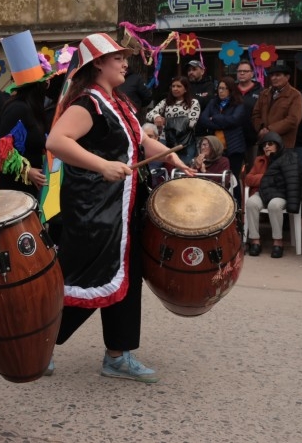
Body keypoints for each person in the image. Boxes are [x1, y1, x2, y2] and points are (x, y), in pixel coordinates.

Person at [46, 33, 193, 384]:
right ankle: (38, 343)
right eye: (118, 58)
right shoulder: (87, 104)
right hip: (94, 211)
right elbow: (56, 141)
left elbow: (141, 141)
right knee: (85, 278)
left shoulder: (120, 102)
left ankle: (117, 355)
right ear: (98, 64)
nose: (126, 63)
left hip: (123, 209)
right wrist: (101, 165)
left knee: (127, 278)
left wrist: (169, 155)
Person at [0, 46, 51, 196]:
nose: (48, 86)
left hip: (33, 187)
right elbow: (3, 149)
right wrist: (27, 171)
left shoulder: (35, 110)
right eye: (45, 82)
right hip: (14, 189)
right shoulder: (17, 108)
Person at [243, 132, 302, 259]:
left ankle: (278, 242)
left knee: (274, 205)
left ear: (278, 145)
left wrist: (266, 179)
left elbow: (290, 179)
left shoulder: (288, 158)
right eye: (264, 145)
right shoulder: (260, 160)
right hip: (263, 192)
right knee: (251, 203)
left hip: (280, 193)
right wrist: (267, 178)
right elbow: (248, 179)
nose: (266, 147)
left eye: (270, 144)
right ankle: (255, 241)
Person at [197, 76, 247, 178]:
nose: (221, 91)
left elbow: (234, 120)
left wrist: (215, 117)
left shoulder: (239, 103)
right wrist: (223, 123)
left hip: (234, 147)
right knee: (216, 177)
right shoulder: (213, 102)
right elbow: (203, 119)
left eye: (224, 88)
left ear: (231, 90)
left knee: (233, 178)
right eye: (219, 88)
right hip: (215, 148)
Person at [145, 76, 201, 164]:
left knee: (182, 170)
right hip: (166, 139)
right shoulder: (165, 102)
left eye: (179, 86)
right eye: (173, 86)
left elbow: (191, 123)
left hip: (184, 142)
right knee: (159, 167)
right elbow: (148, 115)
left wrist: (166, 122)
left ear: (185, 89)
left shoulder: (193, 102)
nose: (175, 88)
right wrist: (156, 116)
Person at [252, 62, 302, 150]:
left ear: (287, 77)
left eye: (278, 75)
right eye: (272, 75)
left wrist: (269, 130)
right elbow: (256, 114)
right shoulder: (264, 93)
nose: (274, 78)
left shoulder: (295, 95)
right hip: (264, 143)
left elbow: (293, 120)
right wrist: (261, 129)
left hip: (283, 144)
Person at [235, 56, 263, 169]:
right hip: (233, 139)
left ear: (252, 74)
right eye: (239, 71)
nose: (242, 73)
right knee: (235, 173)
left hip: (253, 139)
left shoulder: (261, 91)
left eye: (245, 71)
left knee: (253, 170)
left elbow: (264, 113)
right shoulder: (231, 91)